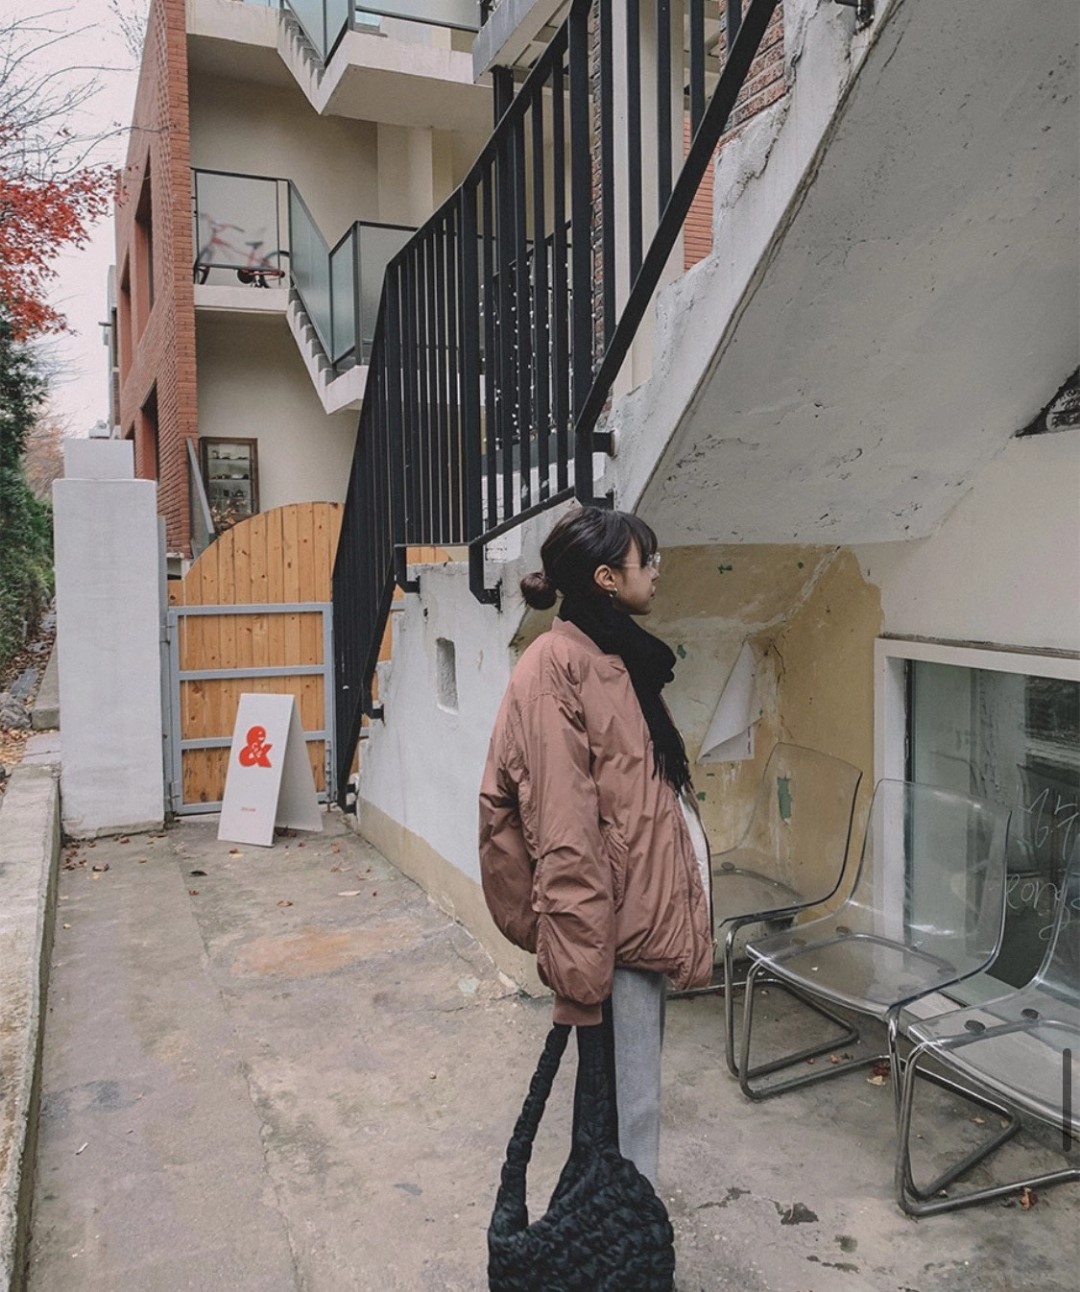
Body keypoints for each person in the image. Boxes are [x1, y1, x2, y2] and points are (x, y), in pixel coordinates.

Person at [478, 505, 713, 1187]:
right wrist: (581, 967)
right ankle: (628, 1233)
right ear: (608, 577)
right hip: (612, 932)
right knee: (626, 1114)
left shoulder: (617, 655)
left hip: (639, 916)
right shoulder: (556, 668)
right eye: (648, 560)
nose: (658, 572)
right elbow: (563, 832)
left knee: (625, 1107)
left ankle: (621, 1225)